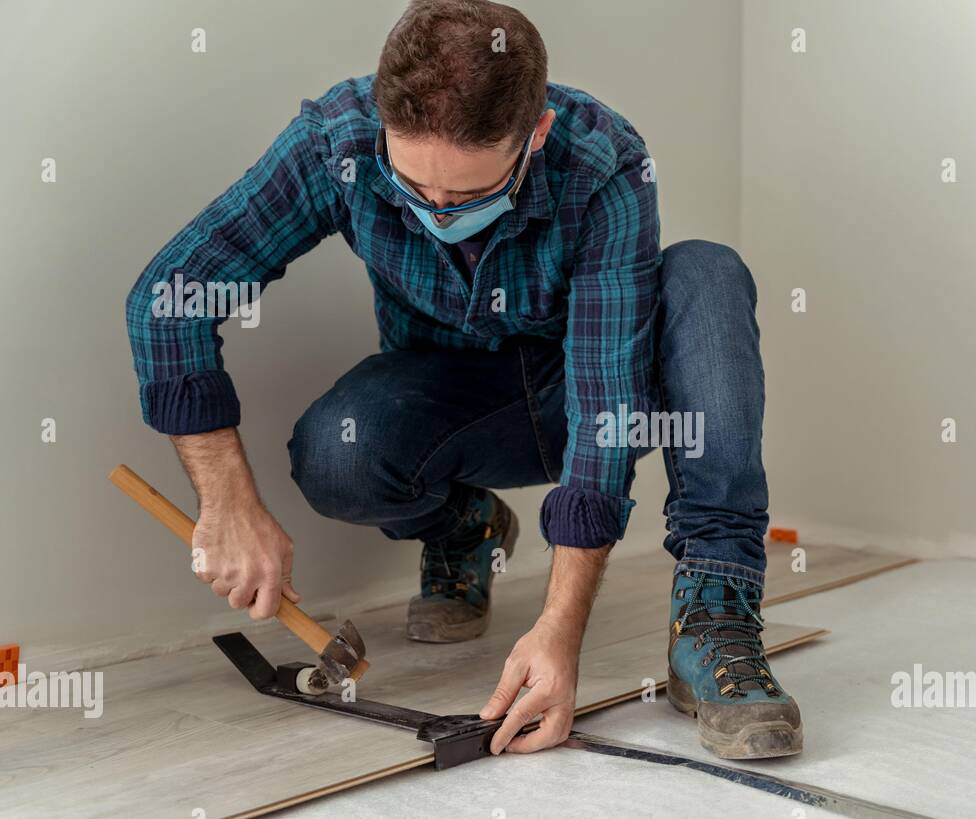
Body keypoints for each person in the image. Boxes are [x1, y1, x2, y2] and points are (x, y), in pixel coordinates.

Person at [124, 0, 799, 760]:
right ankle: (465, 530)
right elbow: (168, 297)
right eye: (415, 191)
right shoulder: (336, 143)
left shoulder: (601, 158)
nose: (437, 212)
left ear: (534, 135)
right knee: (336, 450)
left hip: (602, 396)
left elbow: (606, 398)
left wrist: (558, 633)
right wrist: (227, 504)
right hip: (465, 405)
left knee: (706, 272)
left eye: (470, 196)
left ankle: (714, 613)